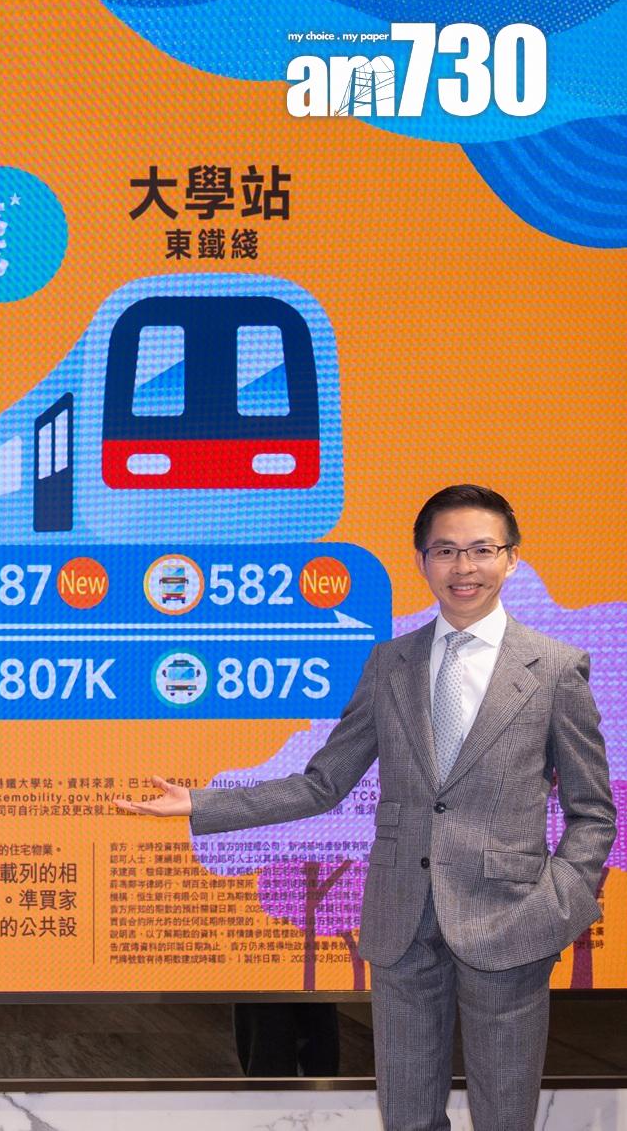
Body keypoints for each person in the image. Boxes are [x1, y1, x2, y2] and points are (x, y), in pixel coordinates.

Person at [116, 484, 615, 1131]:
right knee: (406, 1117)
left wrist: (558, 905)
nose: (464, 567)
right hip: (401, 922)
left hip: (511, 923)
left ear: (511, 558)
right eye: (446, 550)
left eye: (481, 550)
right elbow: (323, 783)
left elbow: (592, 810)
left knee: (505, 1117)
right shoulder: (390, 663)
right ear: (421, 560)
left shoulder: (554, 669)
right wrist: (202, 804)